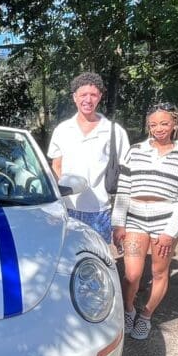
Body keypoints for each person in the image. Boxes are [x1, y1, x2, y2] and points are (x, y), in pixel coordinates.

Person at [112, 102, 178, 341]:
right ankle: (129, 310)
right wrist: (118, 223)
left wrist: (170, 231)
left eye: (164, 123)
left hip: (166, 221)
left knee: (159, 272)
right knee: (132, 274)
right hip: (135, 219)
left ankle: (146, 315)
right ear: (148, 126)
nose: (158, 128)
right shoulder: (135, 150)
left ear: (174, 124)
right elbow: (123, 190)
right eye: (153, 124)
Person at [47, 72, 129, 244]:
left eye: (93, 95)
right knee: (66, 259)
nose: (88, 100)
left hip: (100, 210)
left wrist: (120, 219)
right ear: (74, 97)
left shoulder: (114, 131)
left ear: (100, 97)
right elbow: (56, 169)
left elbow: (125, 175)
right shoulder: (62, 130)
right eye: (83, 94)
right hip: (67, 209)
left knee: (97, 259)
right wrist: (54, 206)